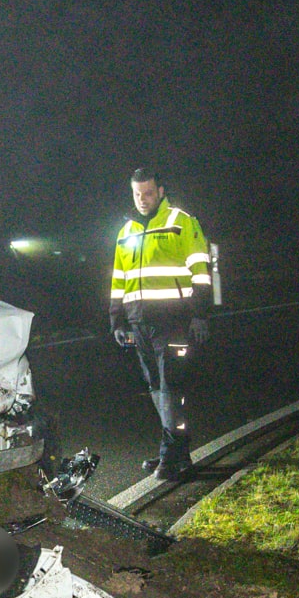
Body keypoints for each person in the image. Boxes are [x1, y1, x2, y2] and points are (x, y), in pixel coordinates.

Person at [110, 166, 211, 481]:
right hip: (139, 321)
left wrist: (200, 314)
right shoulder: (125, 231)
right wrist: (117, 321)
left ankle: (170, 455)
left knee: (170, 390)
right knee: (155, 388)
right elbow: (118, 280)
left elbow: (202, 273)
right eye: (137, 194)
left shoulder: (181, 222)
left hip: (174, 320)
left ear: (161, 192)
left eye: (149, 193)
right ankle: (178, 452)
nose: (142, 199)